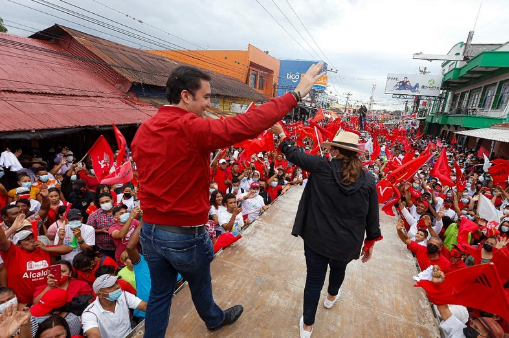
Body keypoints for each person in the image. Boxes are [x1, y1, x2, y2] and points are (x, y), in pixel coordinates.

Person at [131, 62, 325, 337]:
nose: (209, 104)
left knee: (161, 295)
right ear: (186, 96)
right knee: (199, 284)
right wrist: (295, 94)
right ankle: (214, 319)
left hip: (151, 231)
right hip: (184, 233)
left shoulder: (144, 129)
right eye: (207, 97)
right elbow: (245, 125)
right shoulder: (190, 127)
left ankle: (208, 319)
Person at [269, 126, 382, 338]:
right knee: (339, 269)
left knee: (313, 280)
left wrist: (282, 134)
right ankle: (331, 297)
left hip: (317, 239)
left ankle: (308, 326)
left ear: (337, 151)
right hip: (348, 242)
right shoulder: (368, 179)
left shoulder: (322, 167)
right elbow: (372, 216)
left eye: (333, 149)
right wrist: (370, 243)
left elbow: (293, 153)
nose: (330, 152)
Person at [0, 213, 72, 305]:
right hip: (23, 303)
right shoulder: (12, 252)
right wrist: (13, 228)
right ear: (18, 244)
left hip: (44, 299)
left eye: (32, 238)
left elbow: (68, 248)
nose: (31, 241)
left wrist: (46, 248)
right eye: (26, 240)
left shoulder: (42, 249)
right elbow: (1, 241)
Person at [81, 274, 146, 338]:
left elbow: (145, 306)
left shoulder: (123, 296)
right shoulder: (90, 313)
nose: (117, 286)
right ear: (100, 294)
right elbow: (93, 334)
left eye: (116, 282)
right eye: (111, 286)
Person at [86, 193, 116, 259]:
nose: (105, 203)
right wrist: (101, 230)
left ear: (112, 200)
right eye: (102, 202)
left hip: (119, 247)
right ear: (99, 204)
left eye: (107, 201)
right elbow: (88, 231)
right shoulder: (94, 215)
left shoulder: (120, 211)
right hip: (102, 249)